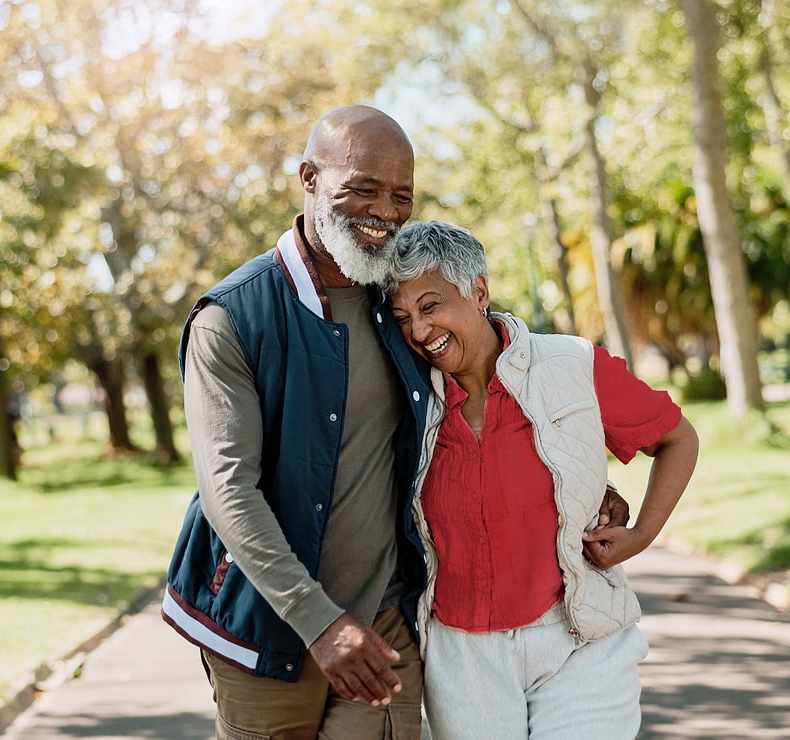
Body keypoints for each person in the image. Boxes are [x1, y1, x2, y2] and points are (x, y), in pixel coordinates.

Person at [161, 107, 630, 740]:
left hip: (386, 620)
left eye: (400, 195)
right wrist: (320, 623)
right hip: (266, 622)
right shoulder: (233, 319)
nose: (384, 210)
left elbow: (492, 383)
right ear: (309, 178)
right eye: (363, 189)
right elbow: (228, 491)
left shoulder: (400, 302)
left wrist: (574, 483)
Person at [386, 220, 700, 740]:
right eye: (403, 317)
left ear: (479, 291)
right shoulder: (407, 396)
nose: (419, 331)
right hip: (463, 655)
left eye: (431, 305)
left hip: (577, 639)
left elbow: (677, 439)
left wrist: (640, 533)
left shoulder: (571, 364)